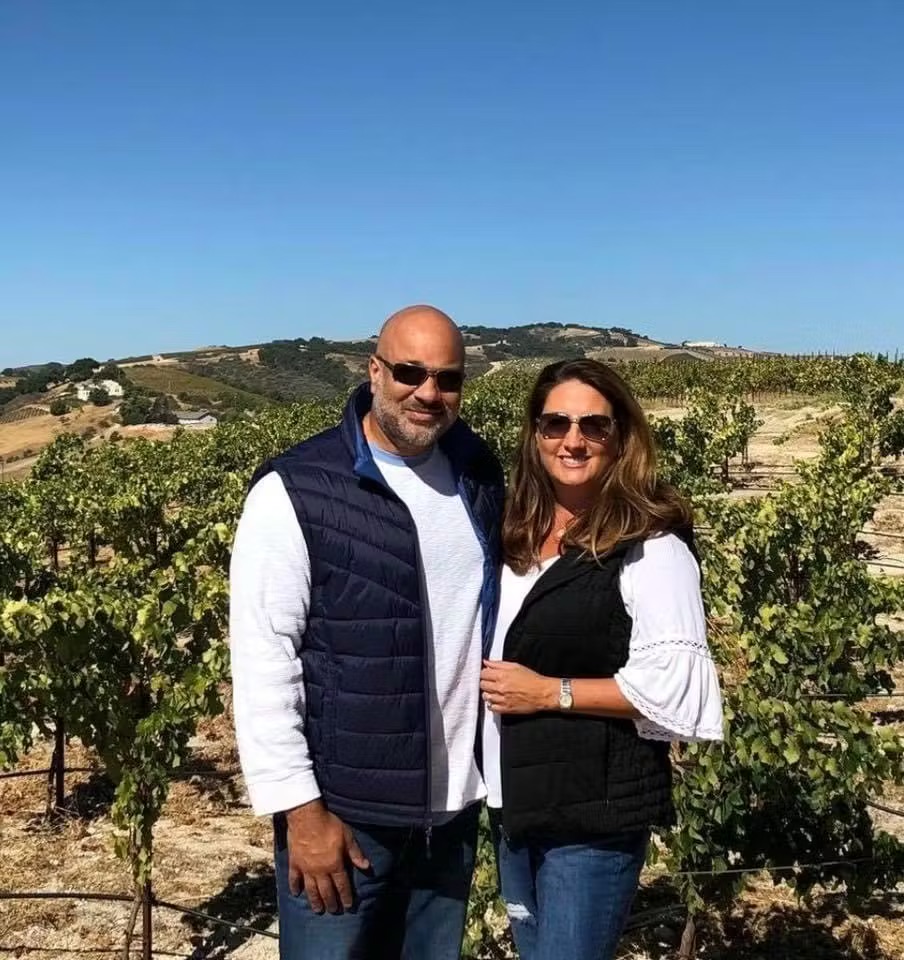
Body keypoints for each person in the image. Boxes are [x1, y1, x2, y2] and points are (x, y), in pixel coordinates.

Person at [229, 305, 504, 960]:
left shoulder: (476, 472)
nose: (428, 393)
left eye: (447, 378)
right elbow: (264, 660)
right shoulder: (296, 489)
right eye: (409, 372)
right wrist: (301, 811)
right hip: (348, 819)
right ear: (373, 371)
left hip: (453, 813)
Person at [480, 358, 724, 960]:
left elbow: (673, 689)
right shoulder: (513, 535)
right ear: (534, 435)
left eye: (594, 425)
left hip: (592, 812)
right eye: (555, 423)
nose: (573, 439)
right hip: (514, 801)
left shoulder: (652, 546)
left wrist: (549, 692)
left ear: (622, 438)